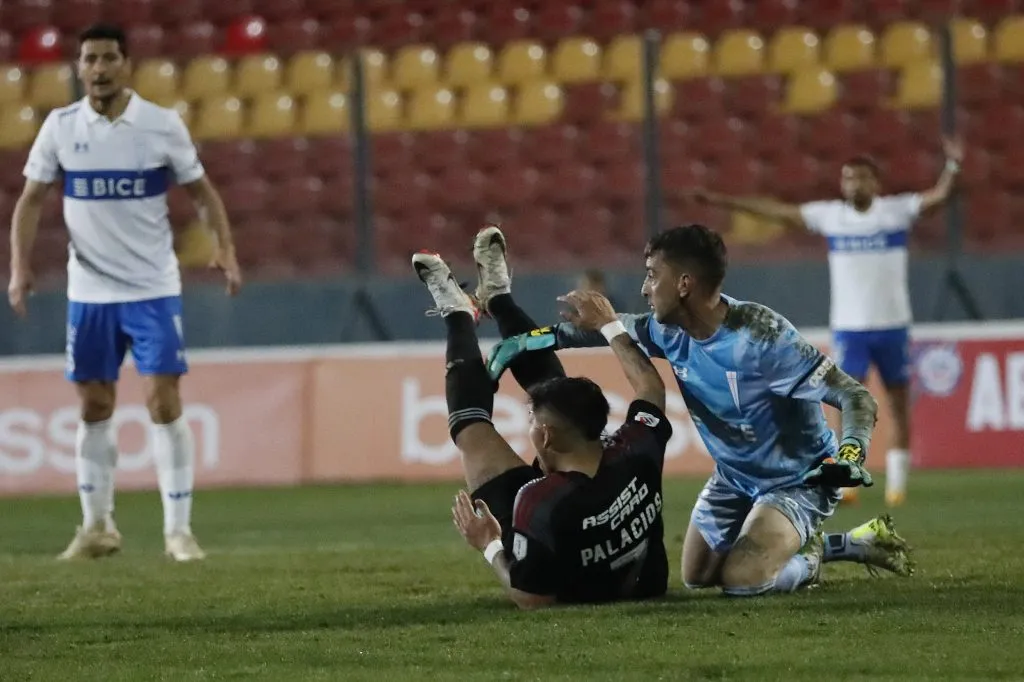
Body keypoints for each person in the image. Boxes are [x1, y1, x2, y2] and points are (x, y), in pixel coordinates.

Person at [482, 224, 913, 597]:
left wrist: (852, 453)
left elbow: (856, 396)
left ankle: (811, 559)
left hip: (798, 479)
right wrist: (527, 341)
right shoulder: (667, 330)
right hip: (734, 476)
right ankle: (853, 543)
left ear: (684, 283)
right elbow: (596, 330)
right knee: (695, 575)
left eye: (652, 276)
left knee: (743, 581)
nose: (644, 288)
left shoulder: (762, 337)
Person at [7, 24, 242, 561]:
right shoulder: (61, 127)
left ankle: (178, 532)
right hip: (88, 292)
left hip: (152, 288)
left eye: (108, 57)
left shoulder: (160, 125)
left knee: (163, 403)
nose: (98, 68)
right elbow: (30, 201)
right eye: (89, 58)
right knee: (94, 404)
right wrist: (19, 269)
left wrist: (224, 247)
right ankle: (96, 527)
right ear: (78, 66)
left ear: (126, 64)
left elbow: (202, 193)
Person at [684, 140, 964, 507]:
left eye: (861, 178)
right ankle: (847, 483)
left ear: (876, 184)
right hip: (849, 328)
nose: (853, 184)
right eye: (848, 178)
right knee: (844, 403)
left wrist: (953, 167)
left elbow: (937, 198)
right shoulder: (831, 216)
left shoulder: (894, 212)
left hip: (893, 325)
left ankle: (897, 489)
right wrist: (723, 201)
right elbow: (777, 212)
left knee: (897, 405)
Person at [412, 246, 672, 608]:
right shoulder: (638, 448)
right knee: (554, 398)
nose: (530, 428)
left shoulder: (538, 502)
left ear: (546, 435)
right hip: (645, 583)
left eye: (531, 421)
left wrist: (488, 544)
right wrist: (609, 325)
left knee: (471, 430)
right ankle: (498, 299)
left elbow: (532, 598)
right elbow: (651, 387)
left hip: (570, 554)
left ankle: (458, 314)